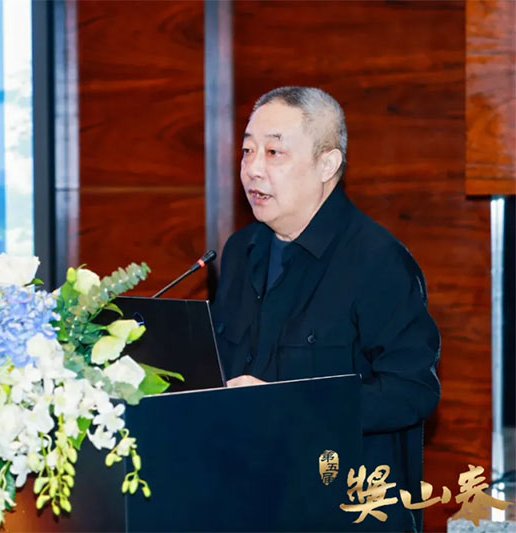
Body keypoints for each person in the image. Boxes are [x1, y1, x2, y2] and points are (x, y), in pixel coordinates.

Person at [211, 86, 440, 531]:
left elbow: (412, 391)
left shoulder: (377, 261)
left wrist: (291, 406)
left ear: (327, 165)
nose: (253, 169)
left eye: (274, 152)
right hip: (250, 499)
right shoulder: (240, 251)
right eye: (247, 151)